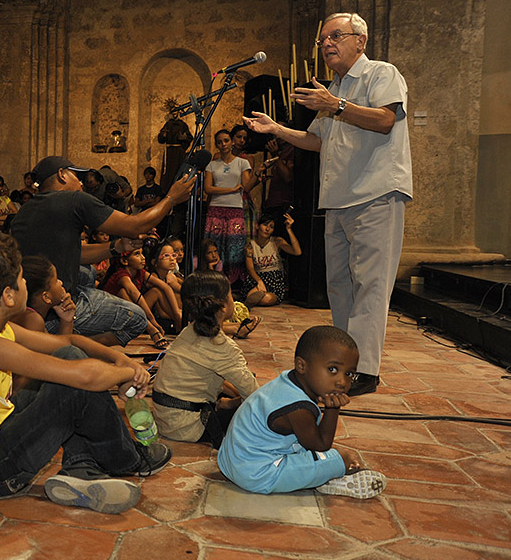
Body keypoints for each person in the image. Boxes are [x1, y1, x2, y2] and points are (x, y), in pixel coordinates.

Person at [0, 234, 172, 515]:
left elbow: (68, 343)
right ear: (8, 295)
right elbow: (84, 377)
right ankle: (129, 460)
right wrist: (126, 374)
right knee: (72, 383)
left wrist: (118, 358)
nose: (26, 283)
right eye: (22, 278)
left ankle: (80, 467)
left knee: (69, 360)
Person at [244, 13, 411, 396]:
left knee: (370, 284)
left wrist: (335, 104)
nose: (326, 44)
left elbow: (385, 120)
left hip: (376, 193)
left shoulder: (380, 74)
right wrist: (276, 129)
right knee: (338, 285)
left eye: (335, 36)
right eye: (322, 40)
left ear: (361, 40)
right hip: (337, 200)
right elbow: (317, 140)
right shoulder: (332, 90)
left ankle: (364, 372)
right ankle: (342, 364)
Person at [11, 155, 195, 346]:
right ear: (61, 175)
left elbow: (74, 253)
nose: (81, 183)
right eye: (76, 176)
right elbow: (135, 226)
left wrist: (117, 247)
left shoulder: (23, 212)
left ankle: (58, 339)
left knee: (86, 272)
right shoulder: (73, 200)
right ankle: (68, 344)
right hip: (61, 306)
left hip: (31, 311)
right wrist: (171, 198)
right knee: (138, 319)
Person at [217, 326, 388, 498]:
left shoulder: (287, 383)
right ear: (301, 365)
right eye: (332, 370)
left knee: (319, 452)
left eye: (349, 374)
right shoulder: (298, 407)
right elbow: (320, 444)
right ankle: (330, 478)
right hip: (258, 475)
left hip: (233, 463)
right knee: (343, 457)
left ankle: (317, 475)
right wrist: (333, 409)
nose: (342, 382)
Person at [151, 270, 258, 447]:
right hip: (189, 426)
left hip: (166, 419)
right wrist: (231, 404)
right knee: (257, 405)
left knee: (238, 383)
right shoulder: (223, 347)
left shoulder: (189, 331)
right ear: (223, 305)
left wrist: (229, 399)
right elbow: (255, 396)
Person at [100, 247, 182, 349]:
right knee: (123, 292)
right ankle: (151, 330)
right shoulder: (122, 275)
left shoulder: (141, 273)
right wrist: (152, 320)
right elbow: (134, 293)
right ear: (125, 261)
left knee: (157, 291)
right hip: (115, 313)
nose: (143, 258)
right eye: (137, 254)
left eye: (142, 254)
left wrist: (177, 316)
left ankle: (179, 324)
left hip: (134, 310)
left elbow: (165, 287)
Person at [204, 129, 257, 286]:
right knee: (215, 246)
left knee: (234, 248)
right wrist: (232, 189)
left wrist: (258, 175)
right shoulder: (212, 165)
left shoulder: (242, 163)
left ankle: (234, 286)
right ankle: (214, 283)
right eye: (219, 142)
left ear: (231, 142)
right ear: (216, 145)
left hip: (235, 209)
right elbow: (208, 189)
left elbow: (246, 186)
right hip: (215, 209)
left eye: (226, 140)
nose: (223, 144)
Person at [242, 211, 301, 306]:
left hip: (274, 280)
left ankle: (254, 300)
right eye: (265, 225)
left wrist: (289, 229)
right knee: (252, 294)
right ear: (257, 226)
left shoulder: (277, 242)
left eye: (271, 227)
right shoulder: (250, 246)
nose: (267, 229)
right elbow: (250, 269)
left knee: (267, 299)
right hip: (257, 278)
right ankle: (253, 298)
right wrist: (259, 282)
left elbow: (297, 252)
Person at [14, 255, 76, 336]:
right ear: (46, 297)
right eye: (56, 281)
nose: (61, 282)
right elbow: (59, 348)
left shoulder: (29, 315)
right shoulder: (33, 321)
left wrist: (66, 321)